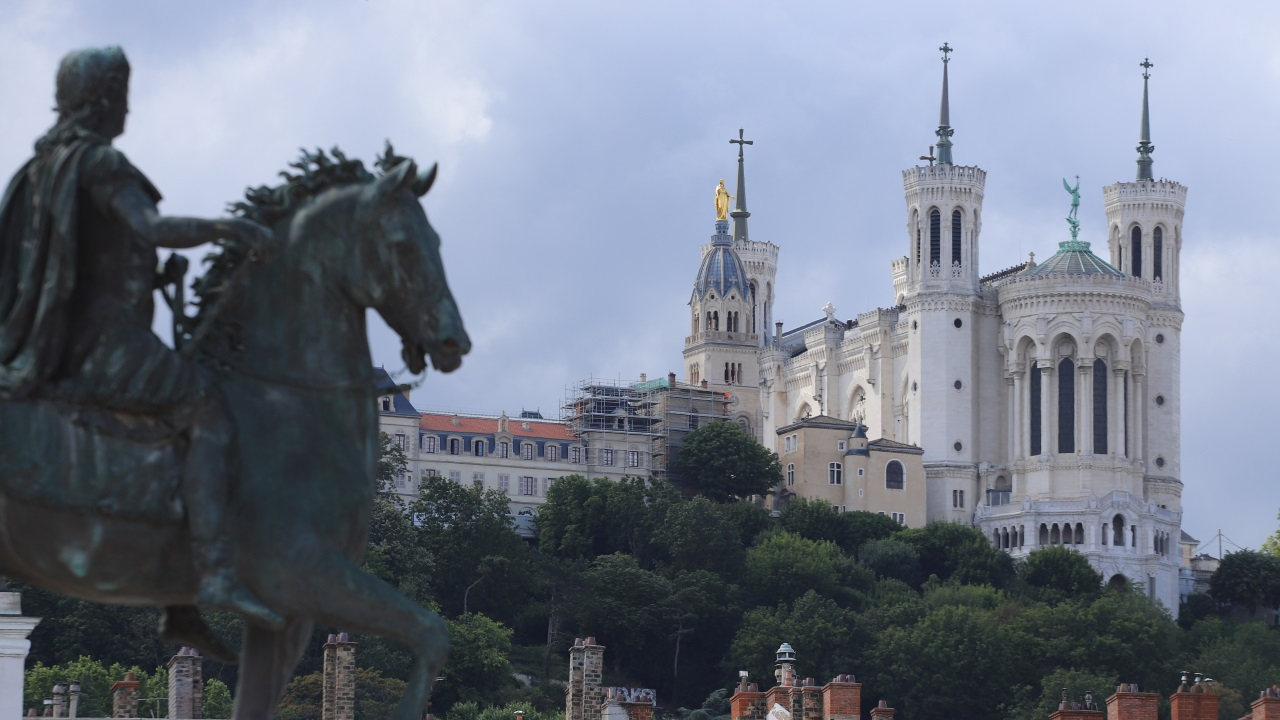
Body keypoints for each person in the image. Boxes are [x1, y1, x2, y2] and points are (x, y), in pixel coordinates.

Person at [0, 46, 281, 628]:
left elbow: (80, 258)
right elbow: (151, 226)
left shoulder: (41, 167)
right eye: (123, 92)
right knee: (208, 408)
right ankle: (212, 574)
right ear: (103, 97)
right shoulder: (99, 163)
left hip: (58, 338)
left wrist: (150, 275)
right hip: (106, 343)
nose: (127, 106)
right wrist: (227, 227)